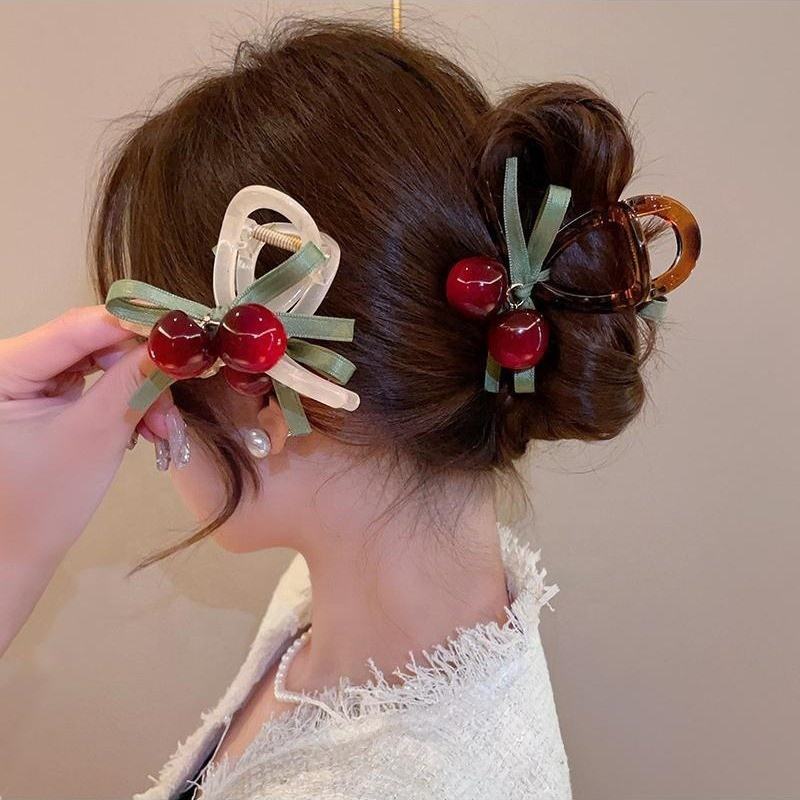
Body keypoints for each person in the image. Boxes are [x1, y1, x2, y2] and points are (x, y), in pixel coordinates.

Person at [0, 16, 700, 800]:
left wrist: (9, 556)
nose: (137, 410)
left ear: (266, 386)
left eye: (162, 346)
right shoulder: (352, 606)